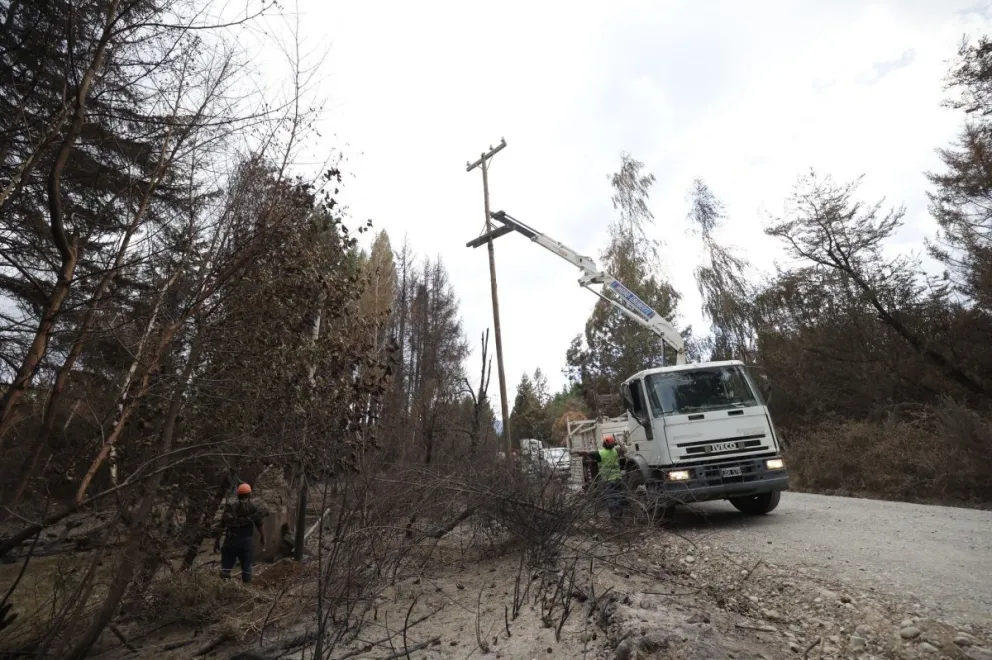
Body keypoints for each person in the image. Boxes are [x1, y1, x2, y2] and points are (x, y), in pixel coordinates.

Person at [214, 482, 265, 583]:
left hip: (230, 541)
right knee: (246, 568)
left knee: (226, 570)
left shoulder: (230, 507)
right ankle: (246, 590)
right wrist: (263, 537)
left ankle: (223, 589)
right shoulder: (253, 506)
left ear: (238, 494)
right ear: (250, 494)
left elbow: (222, 525)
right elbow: (259, 525)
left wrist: (217, 542)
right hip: (246, 543)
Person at [571, 435, 625, 520]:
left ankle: (615, 518)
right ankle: (619, 515)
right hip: (618, 479)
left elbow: (586, 453)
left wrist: (576, 452)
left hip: (608, 480)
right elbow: (623, 450)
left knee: (611, 499)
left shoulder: (600, 453)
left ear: (604, 443)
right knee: (617, 497)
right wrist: (618, 442)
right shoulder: (615, 451)